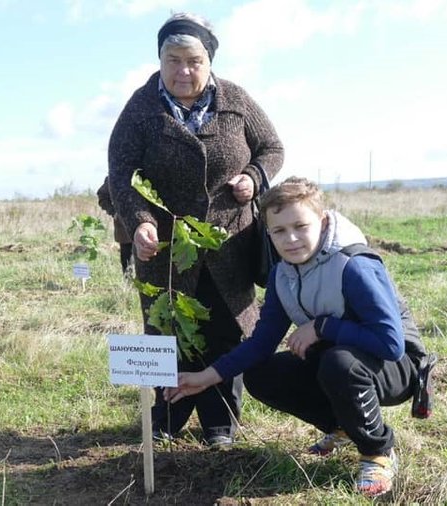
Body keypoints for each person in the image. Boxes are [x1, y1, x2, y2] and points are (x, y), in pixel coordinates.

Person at [164, 177, 431, 498]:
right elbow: (261, 344)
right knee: (262, 374)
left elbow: (391, 343)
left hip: (399, 365)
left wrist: (322, 327)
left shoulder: (352, 266)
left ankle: (378, 451)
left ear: (323, 220)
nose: (290, 239)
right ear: (268, 233)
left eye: (300, 226)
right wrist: (205, 378)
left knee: (339, 363)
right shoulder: (282, 275)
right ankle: (344, 425)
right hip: (345, 359)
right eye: (278, 231)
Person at [107, 12, 284, 447]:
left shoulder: (236, 101)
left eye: (194, 61)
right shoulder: (141, 109)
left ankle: (220, 422)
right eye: (173, 60)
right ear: (160, 59)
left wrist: (255, 177)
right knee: (168, 330)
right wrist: (142, 223)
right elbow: (120, 172)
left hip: (230, 242)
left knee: (225, 328)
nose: (183, 71)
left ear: (209, 61)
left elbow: (273, 148)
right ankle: (167, 416)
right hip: (165, 249)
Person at [96, 177, 134, 275]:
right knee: (127, 258)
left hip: (152, 224)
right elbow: (102, 196)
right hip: (124, 224)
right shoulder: (116, 175)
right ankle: (128, 285)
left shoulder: (147, 170)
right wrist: (114, 212)